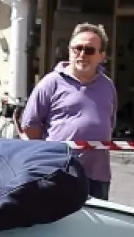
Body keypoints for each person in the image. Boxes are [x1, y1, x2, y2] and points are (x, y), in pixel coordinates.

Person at [21, 23, 120, 199]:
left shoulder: (107, 86)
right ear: (69, 50)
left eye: (89, 50)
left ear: (101, 56)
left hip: (97, 175)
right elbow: (30, 125)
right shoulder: (51, 83)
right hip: (59, 171)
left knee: (96, 225)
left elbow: (110, 122)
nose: (82, 54)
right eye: (77, 48)